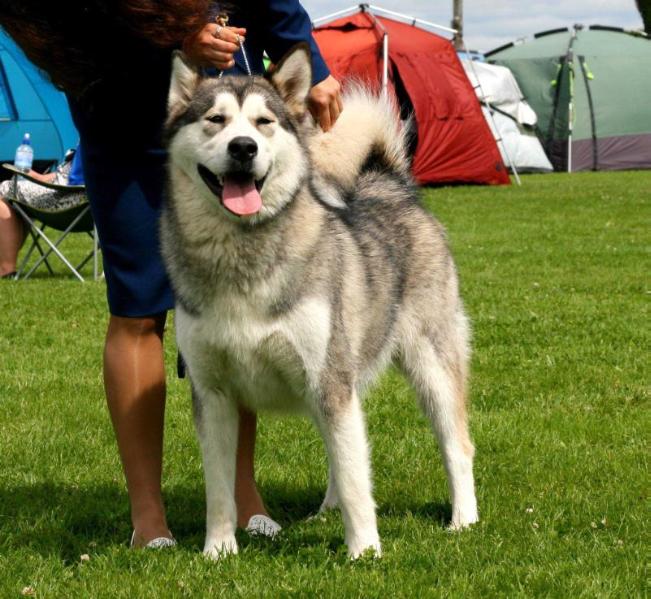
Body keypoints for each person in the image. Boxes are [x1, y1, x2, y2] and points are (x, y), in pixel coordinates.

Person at [0, 1, 342, 548]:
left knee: (237, 309)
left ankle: (242, 491)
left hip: (227, 112)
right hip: (122, 114)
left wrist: (315, 66)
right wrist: (175, 42)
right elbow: (64, 19)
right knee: (137, 309)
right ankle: (148, 516)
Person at [0, 147, 85, 279]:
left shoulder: (92, 137)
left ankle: (6, 269)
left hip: (66, 200)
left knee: (4, 189)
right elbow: (69, 174)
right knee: (15, 197)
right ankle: (5, 260)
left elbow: (68, 181)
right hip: (88, 207)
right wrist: (40, 177)